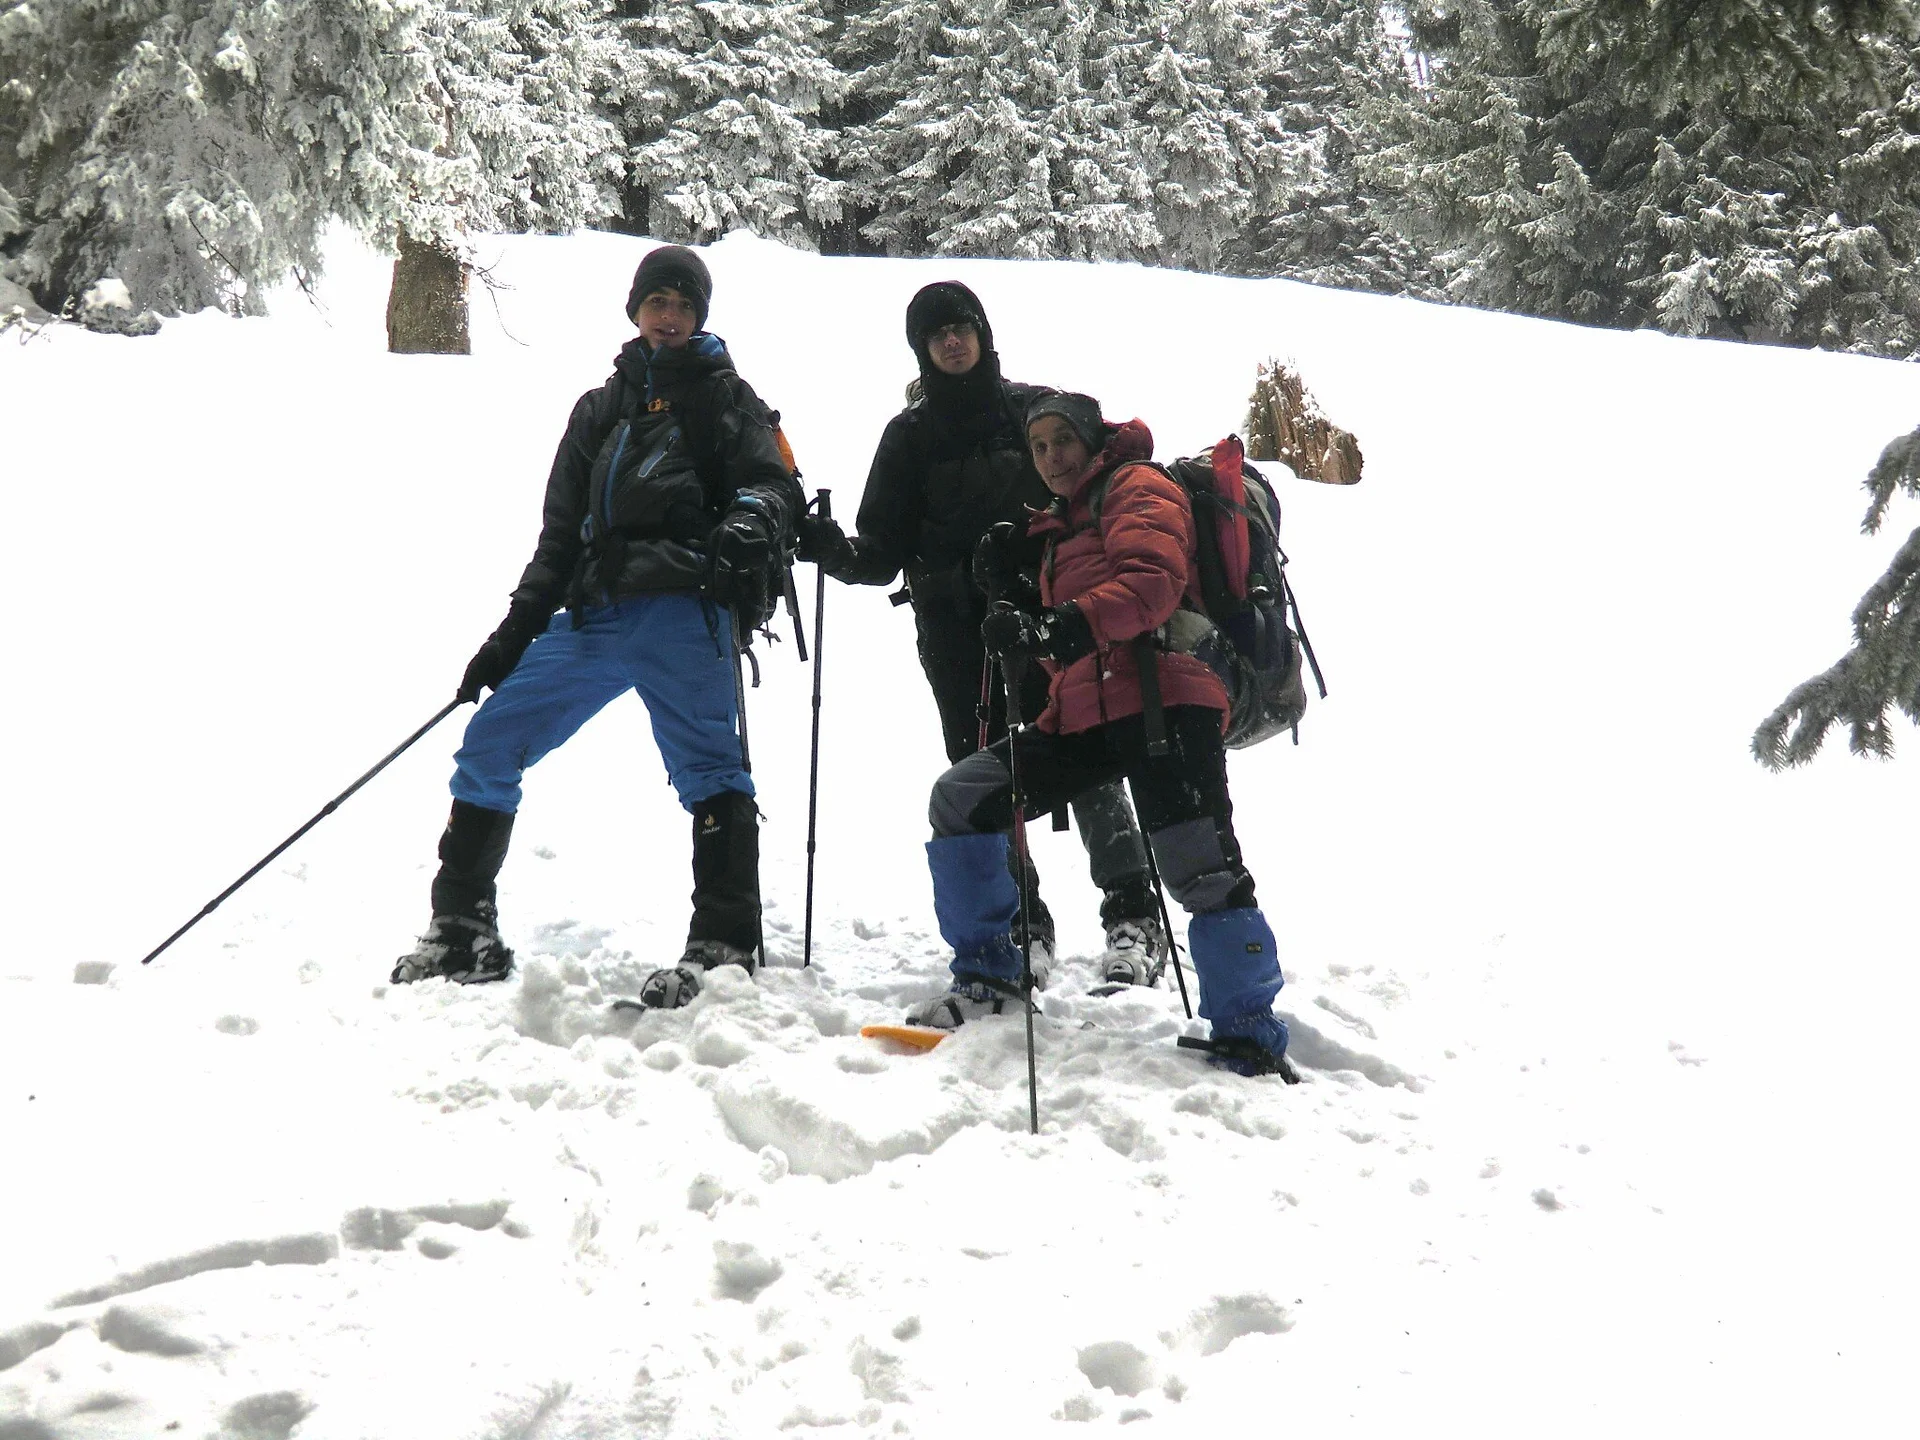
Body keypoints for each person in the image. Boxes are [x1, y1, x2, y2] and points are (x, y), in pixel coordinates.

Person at [393, 245, 802, 1007]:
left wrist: (751, 519)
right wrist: (512, 635)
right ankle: (461, 929)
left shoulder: (728, 398)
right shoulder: (599, 407)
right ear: (636, 311)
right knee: (489, 744)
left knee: (711, 771)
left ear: (699, 316)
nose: (669, 316)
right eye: (657, 303)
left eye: (683, 305)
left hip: (687, 608)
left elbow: (774, 484)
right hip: (594, 612)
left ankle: (723, 941)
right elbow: (558, 535)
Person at [906, 392, 1291, 1074]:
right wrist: (1023, 598)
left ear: (1091, 439)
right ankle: (991, 975)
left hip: (1165, 700)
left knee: (1198, 868)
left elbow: (1151, 585)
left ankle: (1247, 1027)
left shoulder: (1137, 485)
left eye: (1063, 440)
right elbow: (1081, 627)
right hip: (1085, 709)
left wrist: (1051, 624)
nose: (1052, 456)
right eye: (1040, 447)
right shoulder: (1064, 523)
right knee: (962, 798)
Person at [799, 282, 1165, 987]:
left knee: (1088, 753)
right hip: (955, 635)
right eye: (937, 335)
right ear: (921, 349)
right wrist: (833, 552)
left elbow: (1100, 481)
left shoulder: (1033, 411)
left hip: (1052, 621)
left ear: (983, 331)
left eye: (961, 327)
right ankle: (1023, 922)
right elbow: (880, 551)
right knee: (984, 771)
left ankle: (1132, 915)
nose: (952, 342)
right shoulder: (908, 437)